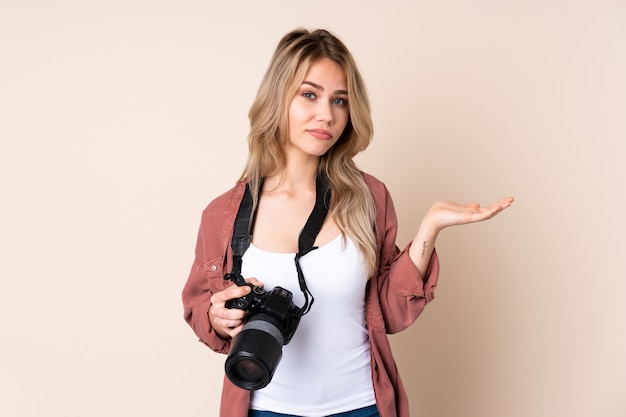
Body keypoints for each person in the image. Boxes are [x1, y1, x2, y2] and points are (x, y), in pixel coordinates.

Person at [182, 28, 513, 417]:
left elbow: (391, 312)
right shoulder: (223, 215)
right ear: (278, 98)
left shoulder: (369, 198)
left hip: (362, 405)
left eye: (340, 100)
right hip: (264, 408)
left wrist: (430, 228)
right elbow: (201, 309)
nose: (327, 114)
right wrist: (218, 318)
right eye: (309, 94)